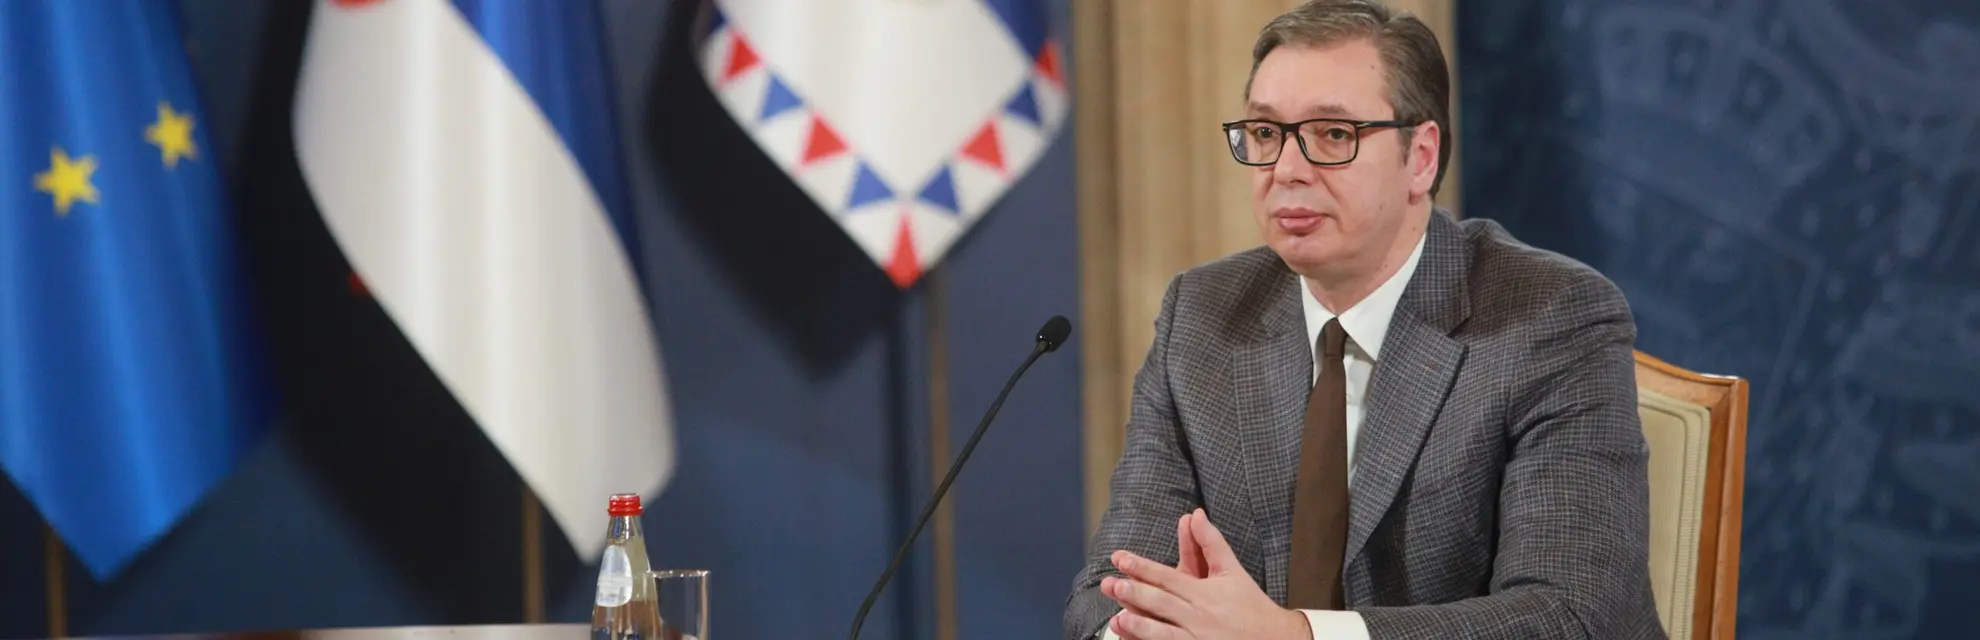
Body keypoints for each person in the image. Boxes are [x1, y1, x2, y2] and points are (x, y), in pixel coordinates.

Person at [1062, 1, 1666, 638]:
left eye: (1333, 135)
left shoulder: (1549, 317)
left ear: (1420, 158)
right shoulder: (1204, 315)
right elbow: (1107, 589)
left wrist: (1298, 636)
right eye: (1265, 133)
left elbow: (1569, 614)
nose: (1286, 170)